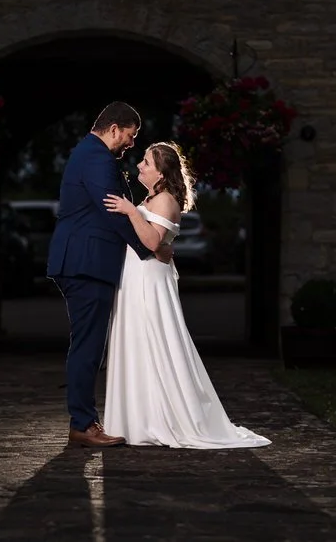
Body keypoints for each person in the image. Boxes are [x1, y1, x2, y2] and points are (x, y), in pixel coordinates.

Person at [102, 142, 271, 449]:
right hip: (138, 276)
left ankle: (160, 418)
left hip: (149, 282)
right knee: (137, 341)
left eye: (146, 162)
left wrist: (129, 210)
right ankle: (137, 417)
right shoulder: (153, 197)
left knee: (155, 341)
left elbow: (153, 241)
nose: (140, 166)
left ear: (161, 173)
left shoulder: (165, 200)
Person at [47, 102, 173, 448]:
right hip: (86, 262)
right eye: (130, 137)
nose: (131, 145)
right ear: (114, 129)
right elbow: (111, 212)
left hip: (87, 261)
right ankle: (83, 425)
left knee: (88, 345)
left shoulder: (92, 155)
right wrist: (149, 247)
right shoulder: (97, 157)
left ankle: (85, 421)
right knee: (87, 347)